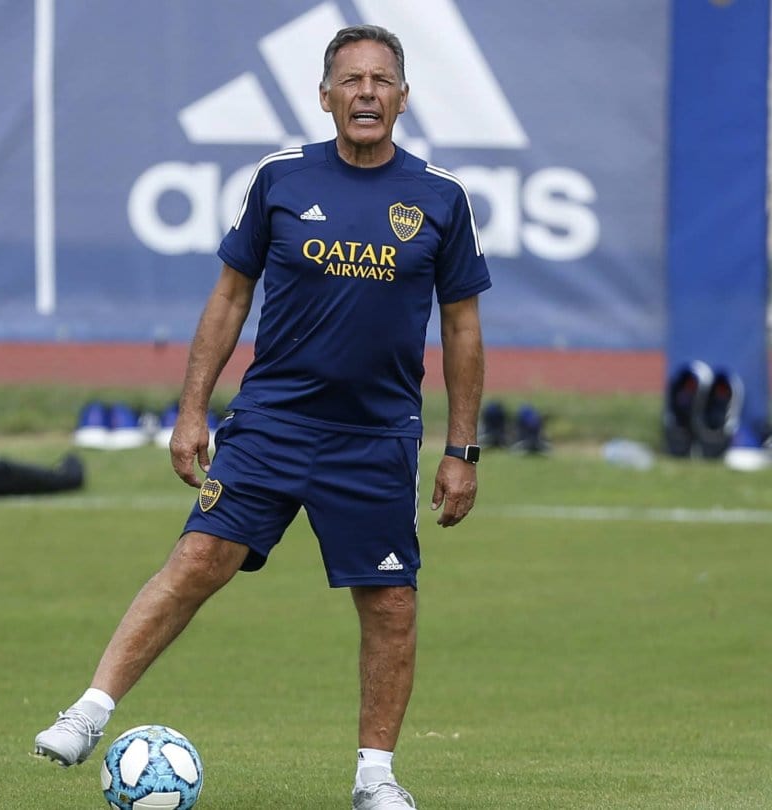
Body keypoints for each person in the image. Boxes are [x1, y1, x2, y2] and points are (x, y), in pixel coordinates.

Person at [32, 24, 489, 810]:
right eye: (352, 81)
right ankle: (88, 712)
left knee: (391, 604)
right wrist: (191, 411)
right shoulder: (280, 179)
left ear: (404, 97)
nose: (367, 93)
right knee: (196, 561)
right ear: (325, 96)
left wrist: (463, 450)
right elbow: (229, 298)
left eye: (382, 80)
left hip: (375, 439)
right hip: (273, 424)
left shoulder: (440, 197)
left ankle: (375, 777)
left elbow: (463, 328)